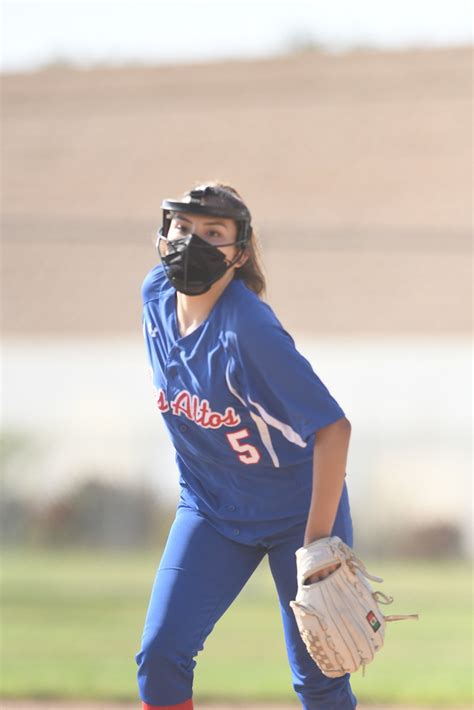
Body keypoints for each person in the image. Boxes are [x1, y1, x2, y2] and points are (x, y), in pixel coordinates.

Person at [135, 182, 357, 710]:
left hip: (294, 518)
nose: (194, 242)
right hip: (210, 508)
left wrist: (320, 547)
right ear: (162, 236)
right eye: (183, 228)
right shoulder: (154, 297)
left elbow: (333, 429)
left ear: (240, 253)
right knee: (161, 656)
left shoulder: (248, 328)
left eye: (214, 233)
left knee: (319, 679)